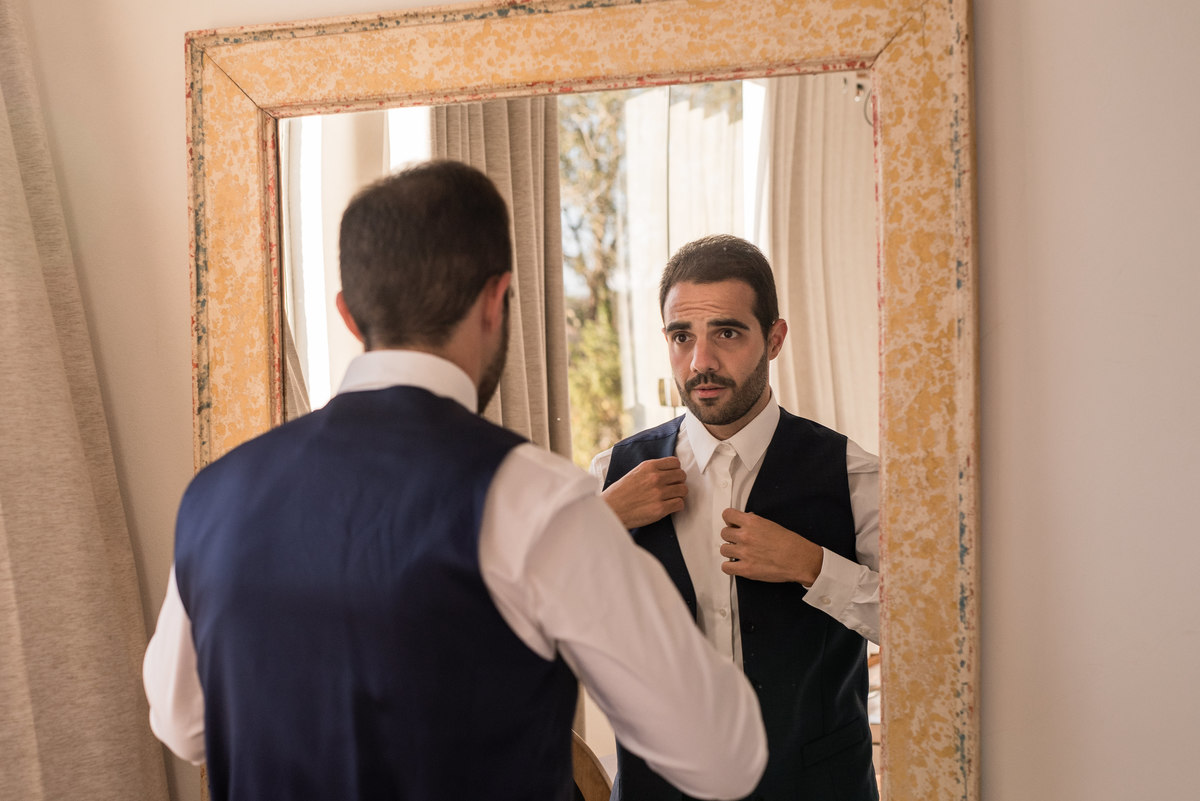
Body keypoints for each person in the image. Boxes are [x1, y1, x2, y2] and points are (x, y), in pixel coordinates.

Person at [143, 162, 767, 801]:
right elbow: (722, 756)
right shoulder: (536, 500)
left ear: (350, 317)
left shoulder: (212, 496)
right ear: (497, 300)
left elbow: (182, 723)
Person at [593, 234, 880, 801]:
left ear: (773, 340)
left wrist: (812, 565)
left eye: (726, 332)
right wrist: (594, 526)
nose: (701, 362)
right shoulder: (611, 477)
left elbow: (924, 629)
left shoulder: (853, 474)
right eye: (682, 337)